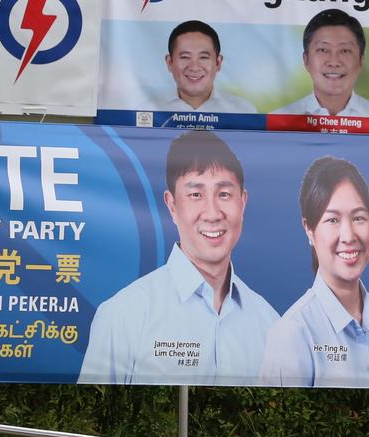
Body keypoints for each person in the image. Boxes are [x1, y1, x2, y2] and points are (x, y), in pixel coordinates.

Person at [79, 131, 277, 385]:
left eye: (224, 194)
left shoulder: (270, 324)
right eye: (195, 195)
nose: (212, 213)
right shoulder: (124, 314)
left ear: (243, 202)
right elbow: (98, 416)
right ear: (172, 205)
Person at [258, 157, 369, 387]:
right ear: (309, 229)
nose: (348, 236)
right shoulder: (291, 333)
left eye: (358, 217)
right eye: (332, 220)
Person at [272, 9, 369, 117]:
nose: (333, 62)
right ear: (306, 60)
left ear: (361, 60)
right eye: (323, 50)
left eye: (345, 50)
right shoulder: (278, 120)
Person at [158, 20, 257, 113]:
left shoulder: (243, 110)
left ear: (218, 63)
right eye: (185, 57)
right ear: (170, 62)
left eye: (203, 57)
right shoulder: (149, 109)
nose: (194, 67)